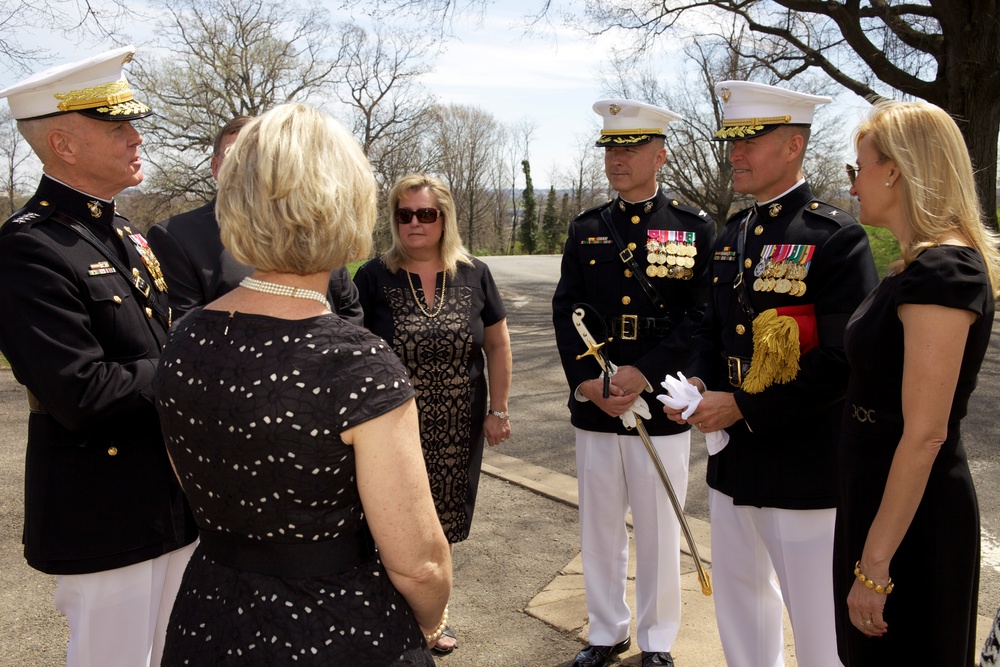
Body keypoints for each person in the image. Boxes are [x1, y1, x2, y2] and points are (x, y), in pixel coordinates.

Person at [153, 103, 452, 665]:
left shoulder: (187, 335)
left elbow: (195, 478)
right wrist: (432, 623)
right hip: (336, 629)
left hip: (209, 620)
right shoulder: (354, 362)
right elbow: (420, 563)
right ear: (344, 204)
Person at [665, 81, 878, 667]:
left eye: (749, 140)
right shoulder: (733, 234)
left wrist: (742, 407)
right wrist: (700, 386)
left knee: (818, 626)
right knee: (740, 605)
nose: (734, 153)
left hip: (804, 469)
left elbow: (841, 361)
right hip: (735, 463)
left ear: (792, 145)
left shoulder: (835, 238)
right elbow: (713, 329)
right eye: (731, 140)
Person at [0, 46, 198, 666]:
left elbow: (157, 340)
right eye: (118, 127)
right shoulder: (29, 249)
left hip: (170, 501)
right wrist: (197, 362)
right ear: (63, 144)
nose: (137, 137)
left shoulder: (124, 235)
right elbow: (79, 392)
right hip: (105, 512)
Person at [832, 100, 999, 666]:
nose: (853, 183)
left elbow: (925, 433)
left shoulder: (945, 272)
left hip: (912, 519)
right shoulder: (914, 266)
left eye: (859, 167)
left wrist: (875, 565)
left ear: (895, 170)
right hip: (878, 497)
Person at [552, 99, 715, 667]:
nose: (617, 160)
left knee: (658, 525)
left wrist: (644, 371)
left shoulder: (693, 228)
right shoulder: (588, 228)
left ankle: (658, 639)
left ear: (660, 154)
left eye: (630, 148)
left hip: (659, 400)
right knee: (599, 524)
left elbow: (701, 316)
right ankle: (604, 630)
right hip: (598, 403)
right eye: (610, 149)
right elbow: (565, 306)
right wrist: (586, 382)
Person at [353, 172, 512, 655]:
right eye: (405, 215)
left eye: (426, 214)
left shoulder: (474, 273)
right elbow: (353, 350)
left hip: (459, 426)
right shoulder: (373, 276)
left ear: (444, 218)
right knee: (387, 524)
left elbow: (497, 344)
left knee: (439, 527)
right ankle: (386, 620)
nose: (415, 224)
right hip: (390, 428)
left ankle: (433, 622)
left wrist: (499, 409)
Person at [147, 116, 363, 324]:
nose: (246, 168)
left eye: (257, 156)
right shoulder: (175, 237)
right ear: (215, 167)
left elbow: (349, 312)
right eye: (234, 156)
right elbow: (186, 331)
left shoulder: (310, 227)